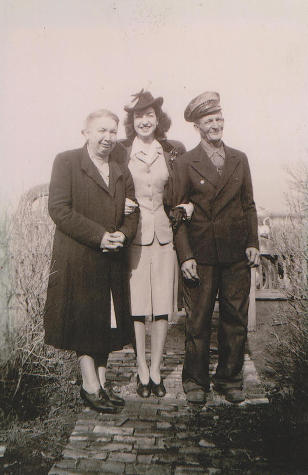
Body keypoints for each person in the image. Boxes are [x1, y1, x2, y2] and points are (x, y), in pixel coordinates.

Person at [44, 109, 139, 412]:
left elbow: (133, 210)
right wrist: (99, 236)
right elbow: (59, 210)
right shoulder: (67, 162)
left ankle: (101, 384)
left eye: (113, 131)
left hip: (112, 258)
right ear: (85, 133)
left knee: (108, 321)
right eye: (101, 131)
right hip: (79, 257)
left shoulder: (120, 168)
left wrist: (123, 235)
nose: (108, 138)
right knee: (86, 321)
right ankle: (89, 386)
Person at [173, 91, 260, 405]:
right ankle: (195, 382)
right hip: (202, 254)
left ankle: (230, 379)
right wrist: (186, 256)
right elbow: (178, 214)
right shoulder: (185, 163)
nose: (215, 125)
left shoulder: (240, 158)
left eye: (219, 119)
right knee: (197, 320)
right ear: (197, 126)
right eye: (208, 120)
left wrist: (252, 243)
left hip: (236, 253)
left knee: (235, 318)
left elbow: (249, 205)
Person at [118, 90, 187, 398]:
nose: (144, 121)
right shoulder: (120, 151)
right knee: (136, 307)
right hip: (132, 236)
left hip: (164, 237)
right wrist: (119, 207)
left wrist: (186, 207)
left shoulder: (173, 150)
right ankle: (140, 370)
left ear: (158, 119)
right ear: (131, 122)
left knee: (161, 307)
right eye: (138, 116)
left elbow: (184, 190)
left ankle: (156, 371)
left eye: (150, 115)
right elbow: (108, 187)